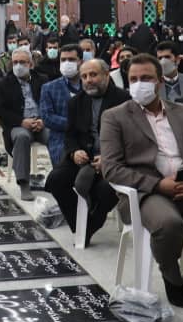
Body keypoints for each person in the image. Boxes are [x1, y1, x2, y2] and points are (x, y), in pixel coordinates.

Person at [100, 53, 183, 307]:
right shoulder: (115, 117)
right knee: (169, 224)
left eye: (146, 78)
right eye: (133, 79)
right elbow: (111, 169)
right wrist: (159, 185)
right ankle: (172, 277)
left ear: (159, 81)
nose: (139, 84)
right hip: (147, 192)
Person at [45, 59, 129, 246]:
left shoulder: (124, 99)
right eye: (84, 76)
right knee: (55, 180)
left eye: (93, 75)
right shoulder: (76, 102)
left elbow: (130, 138)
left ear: (106, 75)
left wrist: (109, 158)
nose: (88, 80)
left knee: (105, 190)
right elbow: (70, 135)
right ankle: (80, 225)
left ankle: (91, 225)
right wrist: (74, 151)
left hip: (113, 159)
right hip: (84, 156)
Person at [0, 48, 47, 201]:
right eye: (15, 62)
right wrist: (21, 121)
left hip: (40, 122)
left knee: (56, 137)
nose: (18, 66)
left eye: (22, 62)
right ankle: (24, 183)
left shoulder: (42, 79)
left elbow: (49, 103)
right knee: (22, 137)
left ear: (30, 64)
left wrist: (43, 120)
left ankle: (61, 178)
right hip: (17, 125)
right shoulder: (4, 83)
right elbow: (1, 110)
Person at [40, 44, 83, 166]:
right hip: (61, 139)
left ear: (80, 61)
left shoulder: (89, 85)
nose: (67, 63)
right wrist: (74, 124)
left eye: (71, 59)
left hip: (89, 138)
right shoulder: (49, 88)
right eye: (63, 60)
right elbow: (47, 117)